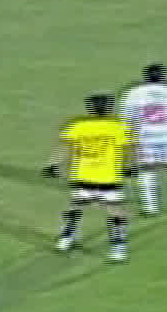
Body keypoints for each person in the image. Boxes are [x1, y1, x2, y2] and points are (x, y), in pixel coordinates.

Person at [45, 94, 133, 263]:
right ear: (109, 108)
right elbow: (129, 149)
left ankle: (66, 237)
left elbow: (64, 147)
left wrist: (53, 165)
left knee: (77, 206)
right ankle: (118, 247)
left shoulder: (78, 125)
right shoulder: (119, 126)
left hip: (84, 175)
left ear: (90, 108)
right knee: (115, 211)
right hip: (109, 177)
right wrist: (130, 167)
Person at [121, 64, 167, 217]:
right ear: (164, 76)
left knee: (147, 169)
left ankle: (150, 208)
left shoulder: (134, 93)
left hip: (145, 136)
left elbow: (126, 118)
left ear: (145, 77)